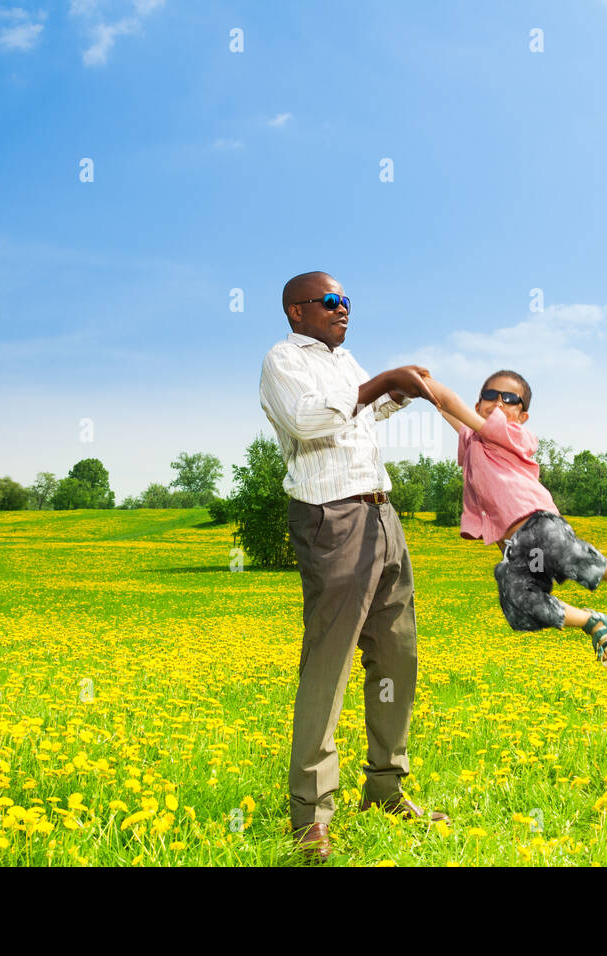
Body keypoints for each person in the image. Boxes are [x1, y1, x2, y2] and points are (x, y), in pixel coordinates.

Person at [259, 271, 450, 864]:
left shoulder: (345, 362)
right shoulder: (283, 360)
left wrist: (396, 392)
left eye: (348, 302)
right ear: (297, 310)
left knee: (398, 653)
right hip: (330, 517)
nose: (344, 310)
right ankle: (311, 815)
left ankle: (385, 789)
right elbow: (308, 421)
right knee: (330, 661)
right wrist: (377, 386)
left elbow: (359, 417)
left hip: (381, 514)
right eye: (332, 302)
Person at [424, 368, 607, 663]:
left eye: (510, 398)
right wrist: (423, 394)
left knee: (559, 549)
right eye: (490, 395)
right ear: (478, 405)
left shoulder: (510, 433)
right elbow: (446, 409)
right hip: (514, 549)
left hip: (538, 524)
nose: (499, 402)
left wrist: (420, 380)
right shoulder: (474, 439)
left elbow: (451, 403)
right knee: (518, 600)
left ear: (522, 417)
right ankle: (592, 622)